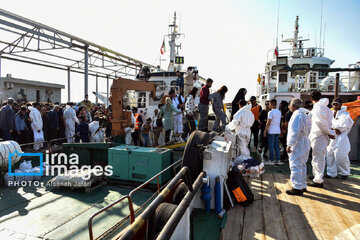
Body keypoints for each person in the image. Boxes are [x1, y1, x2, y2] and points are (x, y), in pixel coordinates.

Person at [308, 91, 335, 188]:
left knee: (318, 158)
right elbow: (331, 121)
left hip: (319, 136)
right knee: (317, 157)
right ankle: (316, 175)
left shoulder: (318, 108)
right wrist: (330, 132)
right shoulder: (326, 108)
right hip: (320, 136)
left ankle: (318, 180)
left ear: (311, 99)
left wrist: (329, 133)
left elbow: (320, 123)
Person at [285, 99, 312, 195]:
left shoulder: (297, 115)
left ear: (293, 106)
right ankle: (302, 185)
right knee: (303, 164)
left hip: (298, 142)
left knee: (295, 164)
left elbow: (294, 132)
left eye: (290, 105)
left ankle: (296, 187)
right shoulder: (305, 115)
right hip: (305, 141)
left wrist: (289, 145)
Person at [326, 99, 353, 180]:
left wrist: (334, 129)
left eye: (337, 104)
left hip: (341, 138)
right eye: (333, 104)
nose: (335, 106)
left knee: (341, 155)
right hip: (331, 137)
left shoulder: (345, 115)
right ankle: (331, 173)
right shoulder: (330, 114)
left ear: (340, 105)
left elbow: (342, 127)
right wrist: (332, 129)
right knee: (329, 155)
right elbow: (327, 124)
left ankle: (345, 172)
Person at [264, 99, 282, 165]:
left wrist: (265, 131)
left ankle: (271, 160)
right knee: (276, 145)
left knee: (271, 146)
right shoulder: (279, 112)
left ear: (271, 104)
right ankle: (278, 159)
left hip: (271, 130)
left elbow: (268, 123)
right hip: (277, 130)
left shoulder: (270, 112)